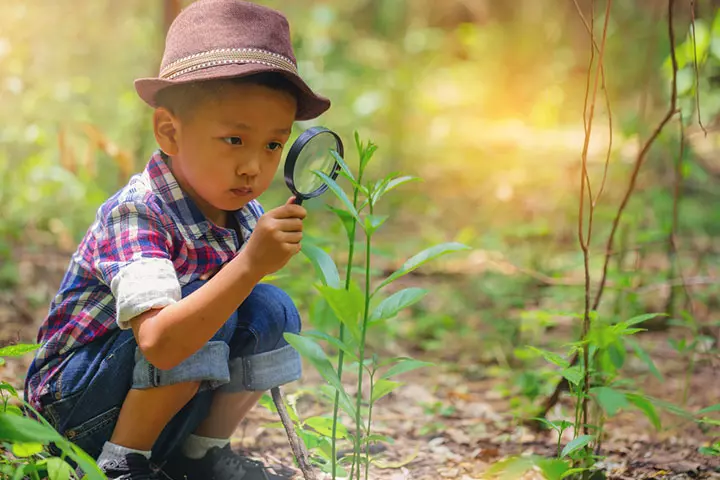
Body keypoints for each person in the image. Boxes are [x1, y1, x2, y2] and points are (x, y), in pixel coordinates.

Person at [24, 1, 331, 478]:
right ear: (169, 131)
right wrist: (249, 263)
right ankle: (120, 465)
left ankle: (202, 456)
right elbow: (161, 343)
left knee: (273, 309)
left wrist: (253, 265)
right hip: (78, 408)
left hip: (158, 398)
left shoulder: (241, 214)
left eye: (273, 144)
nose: (254, 166)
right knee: (204, 307)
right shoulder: (137, 212)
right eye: (235, 140)